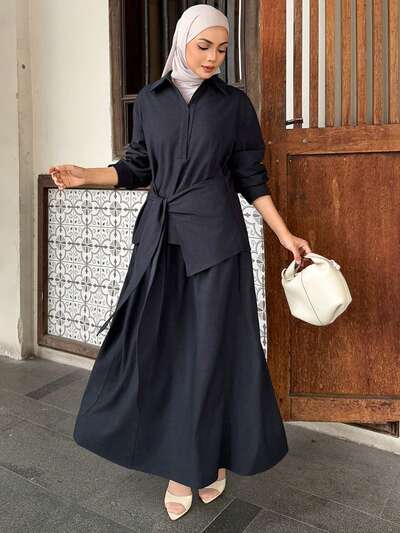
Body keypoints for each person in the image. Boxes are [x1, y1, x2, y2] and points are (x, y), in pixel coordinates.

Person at [49, 4, 311, 522]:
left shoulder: (234, 105)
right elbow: (137, 166)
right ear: (182, 42)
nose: (213, 57)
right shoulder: (151, 100)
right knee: (160, 350)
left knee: (211, 353)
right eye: (203, 46)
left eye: (222, 49)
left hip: (216, 244)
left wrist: (285, 235)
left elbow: (250, 177)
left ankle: (204, 460)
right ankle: (179, 461)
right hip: (160, 240)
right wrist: (87, 175)